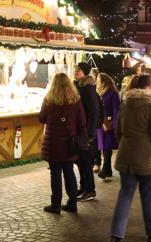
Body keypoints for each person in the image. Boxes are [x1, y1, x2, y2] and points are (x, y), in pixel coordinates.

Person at [108, 74, 151, 242]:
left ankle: (116, 236)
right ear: (148, 87)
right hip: (146, 158)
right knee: (148, 197)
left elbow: (118, 131)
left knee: (125, 196)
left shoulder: (126, 103)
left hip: (126, 155)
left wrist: (125, 144)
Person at [39, 73, 86, 214]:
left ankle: (56, 204)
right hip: (69, 144)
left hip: (53, 144)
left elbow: (42, 118)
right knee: (69, 172)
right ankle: (72, 203)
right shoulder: (75, 101)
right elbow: (82, 122)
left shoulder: (49, 101)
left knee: (55, 174)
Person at [74, 62, 100, 202]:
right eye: (75, 69)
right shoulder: (80, 86)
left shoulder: (88, 88)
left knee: (85, 160)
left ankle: (90, 189)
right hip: (81, 130)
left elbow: (93, 112)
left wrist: (90, 134)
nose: (75, 72)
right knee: (80, 160)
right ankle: (84, 186)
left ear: (84, 72)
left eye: (78, 70)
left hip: (86, 132)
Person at [96, 73, 121, 181]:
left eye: (98, 80)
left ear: (104, 82)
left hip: (109, 123)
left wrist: (114, 124)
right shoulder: (99, 93)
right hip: (101, 123)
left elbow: (117, 110)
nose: (97, 82)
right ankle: (108, 170)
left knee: (107, 146)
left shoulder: (112, 93)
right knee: (104, 146)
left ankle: (105, 170)